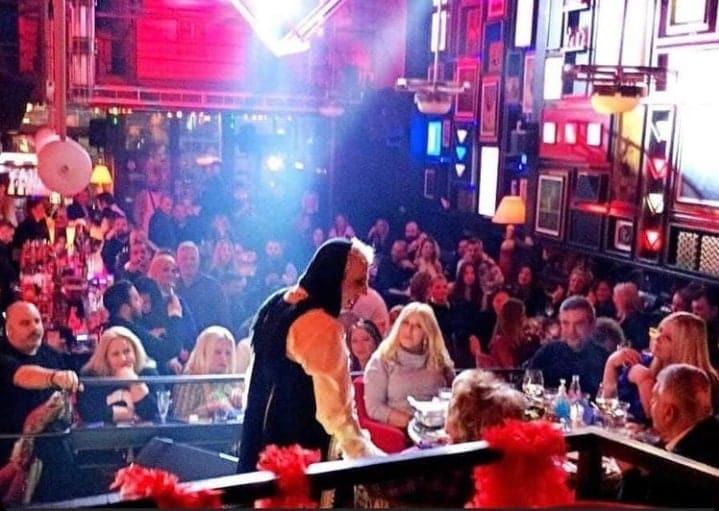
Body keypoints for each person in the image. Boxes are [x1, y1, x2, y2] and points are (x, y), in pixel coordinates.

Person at [238, 238, 383, 473]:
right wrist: (371, 460)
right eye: (358, 282)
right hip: (299, 454)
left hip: (258, 442)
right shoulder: (321, 325)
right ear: (333, 278)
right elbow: (336, 414)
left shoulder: (277, 302)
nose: (365, 291)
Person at [0, 301, 80, 501]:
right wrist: (54, 377)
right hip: (9, 448)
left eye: (37, 321)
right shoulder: (3, 355)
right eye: (25, 323)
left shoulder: (51, 354)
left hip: (54, 448)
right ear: (8, 330)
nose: (34, 328)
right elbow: (23, 375)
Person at [622, 364, 719, 507]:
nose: (650, 402)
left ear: (668, 413)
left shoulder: (675, 469)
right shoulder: (711, 435)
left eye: (655, 398)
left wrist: (629, 473)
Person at [364, 302, 455, 429]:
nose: (409, 330)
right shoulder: (382, 359)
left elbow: (453, 396)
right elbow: (374, 408)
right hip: (400, 431)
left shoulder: (439, 359)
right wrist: (414, 423)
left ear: (427, 332)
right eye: (405, 323)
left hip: (439, 428)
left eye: (418, 326)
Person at [527, 296, 608, 398]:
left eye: (579, 324)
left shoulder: (603, 359)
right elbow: (525, 386)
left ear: (592, 325)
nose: (571, 331)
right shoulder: (547, 352)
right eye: (565, 323)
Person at [78, 326, 159, 424]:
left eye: (127, 351)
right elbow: (88, 413)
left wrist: (134, 382)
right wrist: (120, 413)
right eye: (115, 354)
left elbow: (155, 412)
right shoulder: (92, 376)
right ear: (105, 358)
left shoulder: (148, 372)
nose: (123, 359)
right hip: (104, 433)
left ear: (135, 351)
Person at [173, 326, 243, 421]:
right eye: (217, 352)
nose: (224, 358)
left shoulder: (233, 381)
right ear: (204, 353)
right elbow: (180, 418)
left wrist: (240, 401)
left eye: (228, 353)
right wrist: (209, 408)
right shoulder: (189, 381)